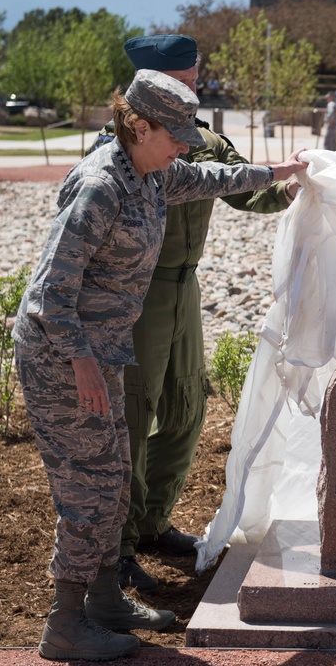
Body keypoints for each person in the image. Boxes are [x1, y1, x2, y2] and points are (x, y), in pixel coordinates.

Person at [14, 69, 308, 661]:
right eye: (173, 134)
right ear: (138, 125)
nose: (182, 144)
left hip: (99, 352)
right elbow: (51, 294)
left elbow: (205, 177)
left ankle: (102, 601)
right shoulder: (102, 185)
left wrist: (278, 174)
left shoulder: (150, 172)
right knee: (90, 492)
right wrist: (82, 363)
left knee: (115, 478)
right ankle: (64, 625)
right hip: (63, 357)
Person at [85, 34, 300, 593]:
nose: (194, 83)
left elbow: (243, 186)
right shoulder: (120, 145)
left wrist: (297, 187)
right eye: (184, 77)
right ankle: (121, 545)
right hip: (137, 295)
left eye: (194, 75)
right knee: (132, 417)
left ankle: (153, 522)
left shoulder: (202, 142)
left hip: (184, 289)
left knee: (184, 410)